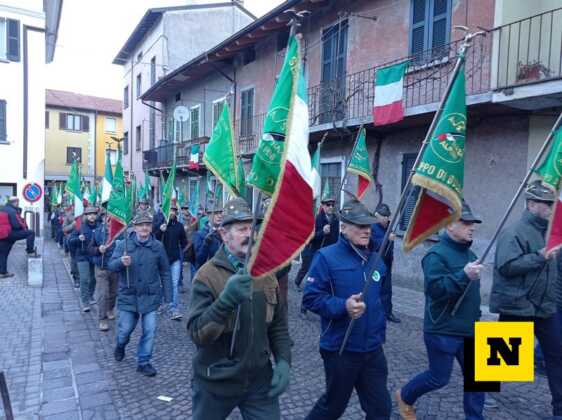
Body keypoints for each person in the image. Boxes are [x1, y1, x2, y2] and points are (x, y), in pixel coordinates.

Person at [187, 197, 291, 420]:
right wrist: (225, 302)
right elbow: (197, 334)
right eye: (242, 228)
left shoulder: (267, 273)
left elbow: (279, 326)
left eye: (253, 227)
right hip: (215, 381)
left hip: (259, 382)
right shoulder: (206, 276)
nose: (250, 234)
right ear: (225, 235)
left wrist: (283, 361)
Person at [395, 202, 485, 420]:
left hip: (471, 328)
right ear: (449, 225)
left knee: (480, 379)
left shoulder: (471, 253)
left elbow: (472, 294)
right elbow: (436, 290)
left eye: (473, 223)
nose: (471, 227)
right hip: (443, 328)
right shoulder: (435, 255)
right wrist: (464, 275)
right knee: (438, 378)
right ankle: (405, 396)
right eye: (465, 222)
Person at [302, 198, 390, 420]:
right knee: (333, 407)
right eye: (360, 225)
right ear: (344, 227)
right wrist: (343, 306)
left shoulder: (377, 261)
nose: (366, 230)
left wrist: (379, 332)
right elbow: (311, 298)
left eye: (368, 225)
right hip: (341, 348)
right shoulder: (326, 257)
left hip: (372, 349)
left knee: (381, 409)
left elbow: (381, 299)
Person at [490, 180, 562, 419]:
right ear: (532, 204)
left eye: (553, 204)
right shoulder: (514, 232)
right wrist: (539, 257)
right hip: (517, 305)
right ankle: (482, 396)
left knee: (557, 356)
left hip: (546, 307)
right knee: (500, 357)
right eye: (547, 204)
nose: (552, 208)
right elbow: (507, 266)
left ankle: (559, 409)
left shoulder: (553, 232)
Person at [109, 210, 172, 377]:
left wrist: (168, 297)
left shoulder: (158, 247)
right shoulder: (124, 245)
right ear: (134, 227)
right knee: (125, 330)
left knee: (149, 330)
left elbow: (165, 271)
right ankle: (121, 345)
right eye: (140, 225)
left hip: (150, 296)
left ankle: (143, 361)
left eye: (147, 225)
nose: (144, 228)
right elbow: (111, 266)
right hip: (128, 295)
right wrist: (121, 262)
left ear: (151, 227)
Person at [294, 196, 339, 289]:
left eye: (332, 205)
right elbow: (309, 238)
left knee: (324, 271)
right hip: (312, 250)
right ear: (322, 206)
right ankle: (298, 282)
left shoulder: (335, 219)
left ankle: (319, 288)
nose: (331, 207)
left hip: (327, 251)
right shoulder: (315, 219)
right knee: (307, 269)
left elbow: (336, 236)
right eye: (328, 205)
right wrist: (322, 232)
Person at [154, 204, 187, 320]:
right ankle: (161, 304)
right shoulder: (159, 225)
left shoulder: (179, 226)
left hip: (175, 259)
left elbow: (184, 242)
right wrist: (159, 231)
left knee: (174, 284)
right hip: (162, 260)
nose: (171, 213)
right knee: (161, 283)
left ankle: (173, 308)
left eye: (173, 211)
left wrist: (183, 253)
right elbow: (153, 240)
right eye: (170, 210)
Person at [89, 210, 119, 331]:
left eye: (111, 218)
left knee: (113, 293)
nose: (109, 221)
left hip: (115, 267)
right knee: (103, 294)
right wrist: (98, 249)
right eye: (107, 218)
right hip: (101, 268)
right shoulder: (97, 232)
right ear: (103, 219)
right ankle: (102, 319)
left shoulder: (120, 233)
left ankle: (110, 308)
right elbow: (90, 248)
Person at [371, 203, 400, 323]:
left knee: (387, 289)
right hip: (376, 262)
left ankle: (388, 312)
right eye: (384, 216)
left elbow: (391, 247)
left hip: (387, 262)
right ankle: (373, 311)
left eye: (387, 216)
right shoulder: (371, 227)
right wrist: (386, 239)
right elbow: (372, 244)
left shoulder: (390, 227)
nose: (386, 218)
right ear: (377, 215)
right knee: (375, 288)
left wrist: (392, 260)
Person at [69, 207, 100, 312]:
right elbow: (70, 241)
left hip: (95, 255)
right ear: (85, 216)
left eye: (94, 214)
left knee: (93, 279)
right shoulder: (80, 228)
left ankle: (90, 295)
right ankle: (85, 301)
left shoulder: (100, 227)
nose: (92, 216)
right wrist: (78, 238)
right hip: (82, 256)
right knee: (84, 279)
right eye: (89, 214)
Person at [0, 196, 39, 277]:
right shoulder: (12, 211)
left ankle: (2, 272)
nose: (18, 204)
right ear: (15, 202)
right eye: (18, 202)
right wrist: (23, 228)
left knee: (3, 253)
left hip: (3, 234)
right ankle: (30, 251)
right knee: (30, 233)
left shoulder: (2, 209)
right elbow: (16, 225)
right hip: (10, 233)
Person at [62, 206, 80, 288]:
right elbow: (64, 229)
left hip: (85, 239)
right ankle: (76, 278)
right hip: (73, 241)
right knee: (74, 260)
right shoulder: (69, 216)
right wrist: (72, 225)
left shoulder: (88, 214)